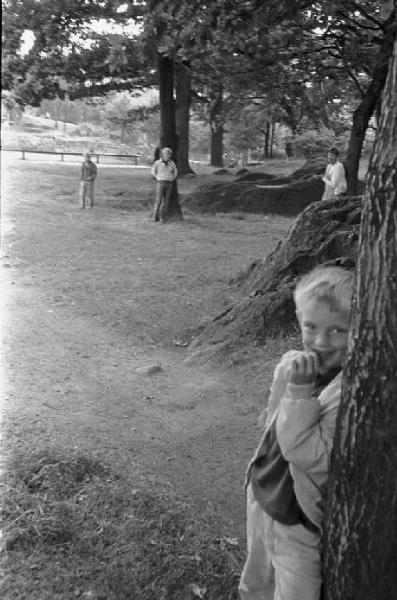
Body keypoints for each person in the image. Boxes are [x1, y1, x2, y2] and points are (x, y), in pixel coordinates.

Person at [239, 264, 355, 600]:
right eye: (311, 326)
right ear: (299, 320)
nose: (320, 340)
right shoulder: (293, 363)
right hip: (262, 492)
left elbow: (312, 456)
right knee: (256, 575)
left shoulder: (348, 391)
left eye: (338, 330)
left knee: (296, 591)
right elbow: (274, 415)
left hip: (298, 519)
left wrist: (301, 394)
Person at [151, 147, 177, 223]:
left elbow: (175, 172)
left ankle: (162, 217)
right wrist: (157, 177)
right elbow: (153, 171)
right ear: (163, 154)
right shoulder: (158, 163)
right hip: (160, 182)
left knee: (166, 201)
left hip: (169, 183)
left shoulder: (172, 163)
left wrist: (172, 178)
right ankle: (155, 216)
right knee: (158, 200)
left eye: (169, 154)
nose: (168, 156)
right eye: (167, 154)